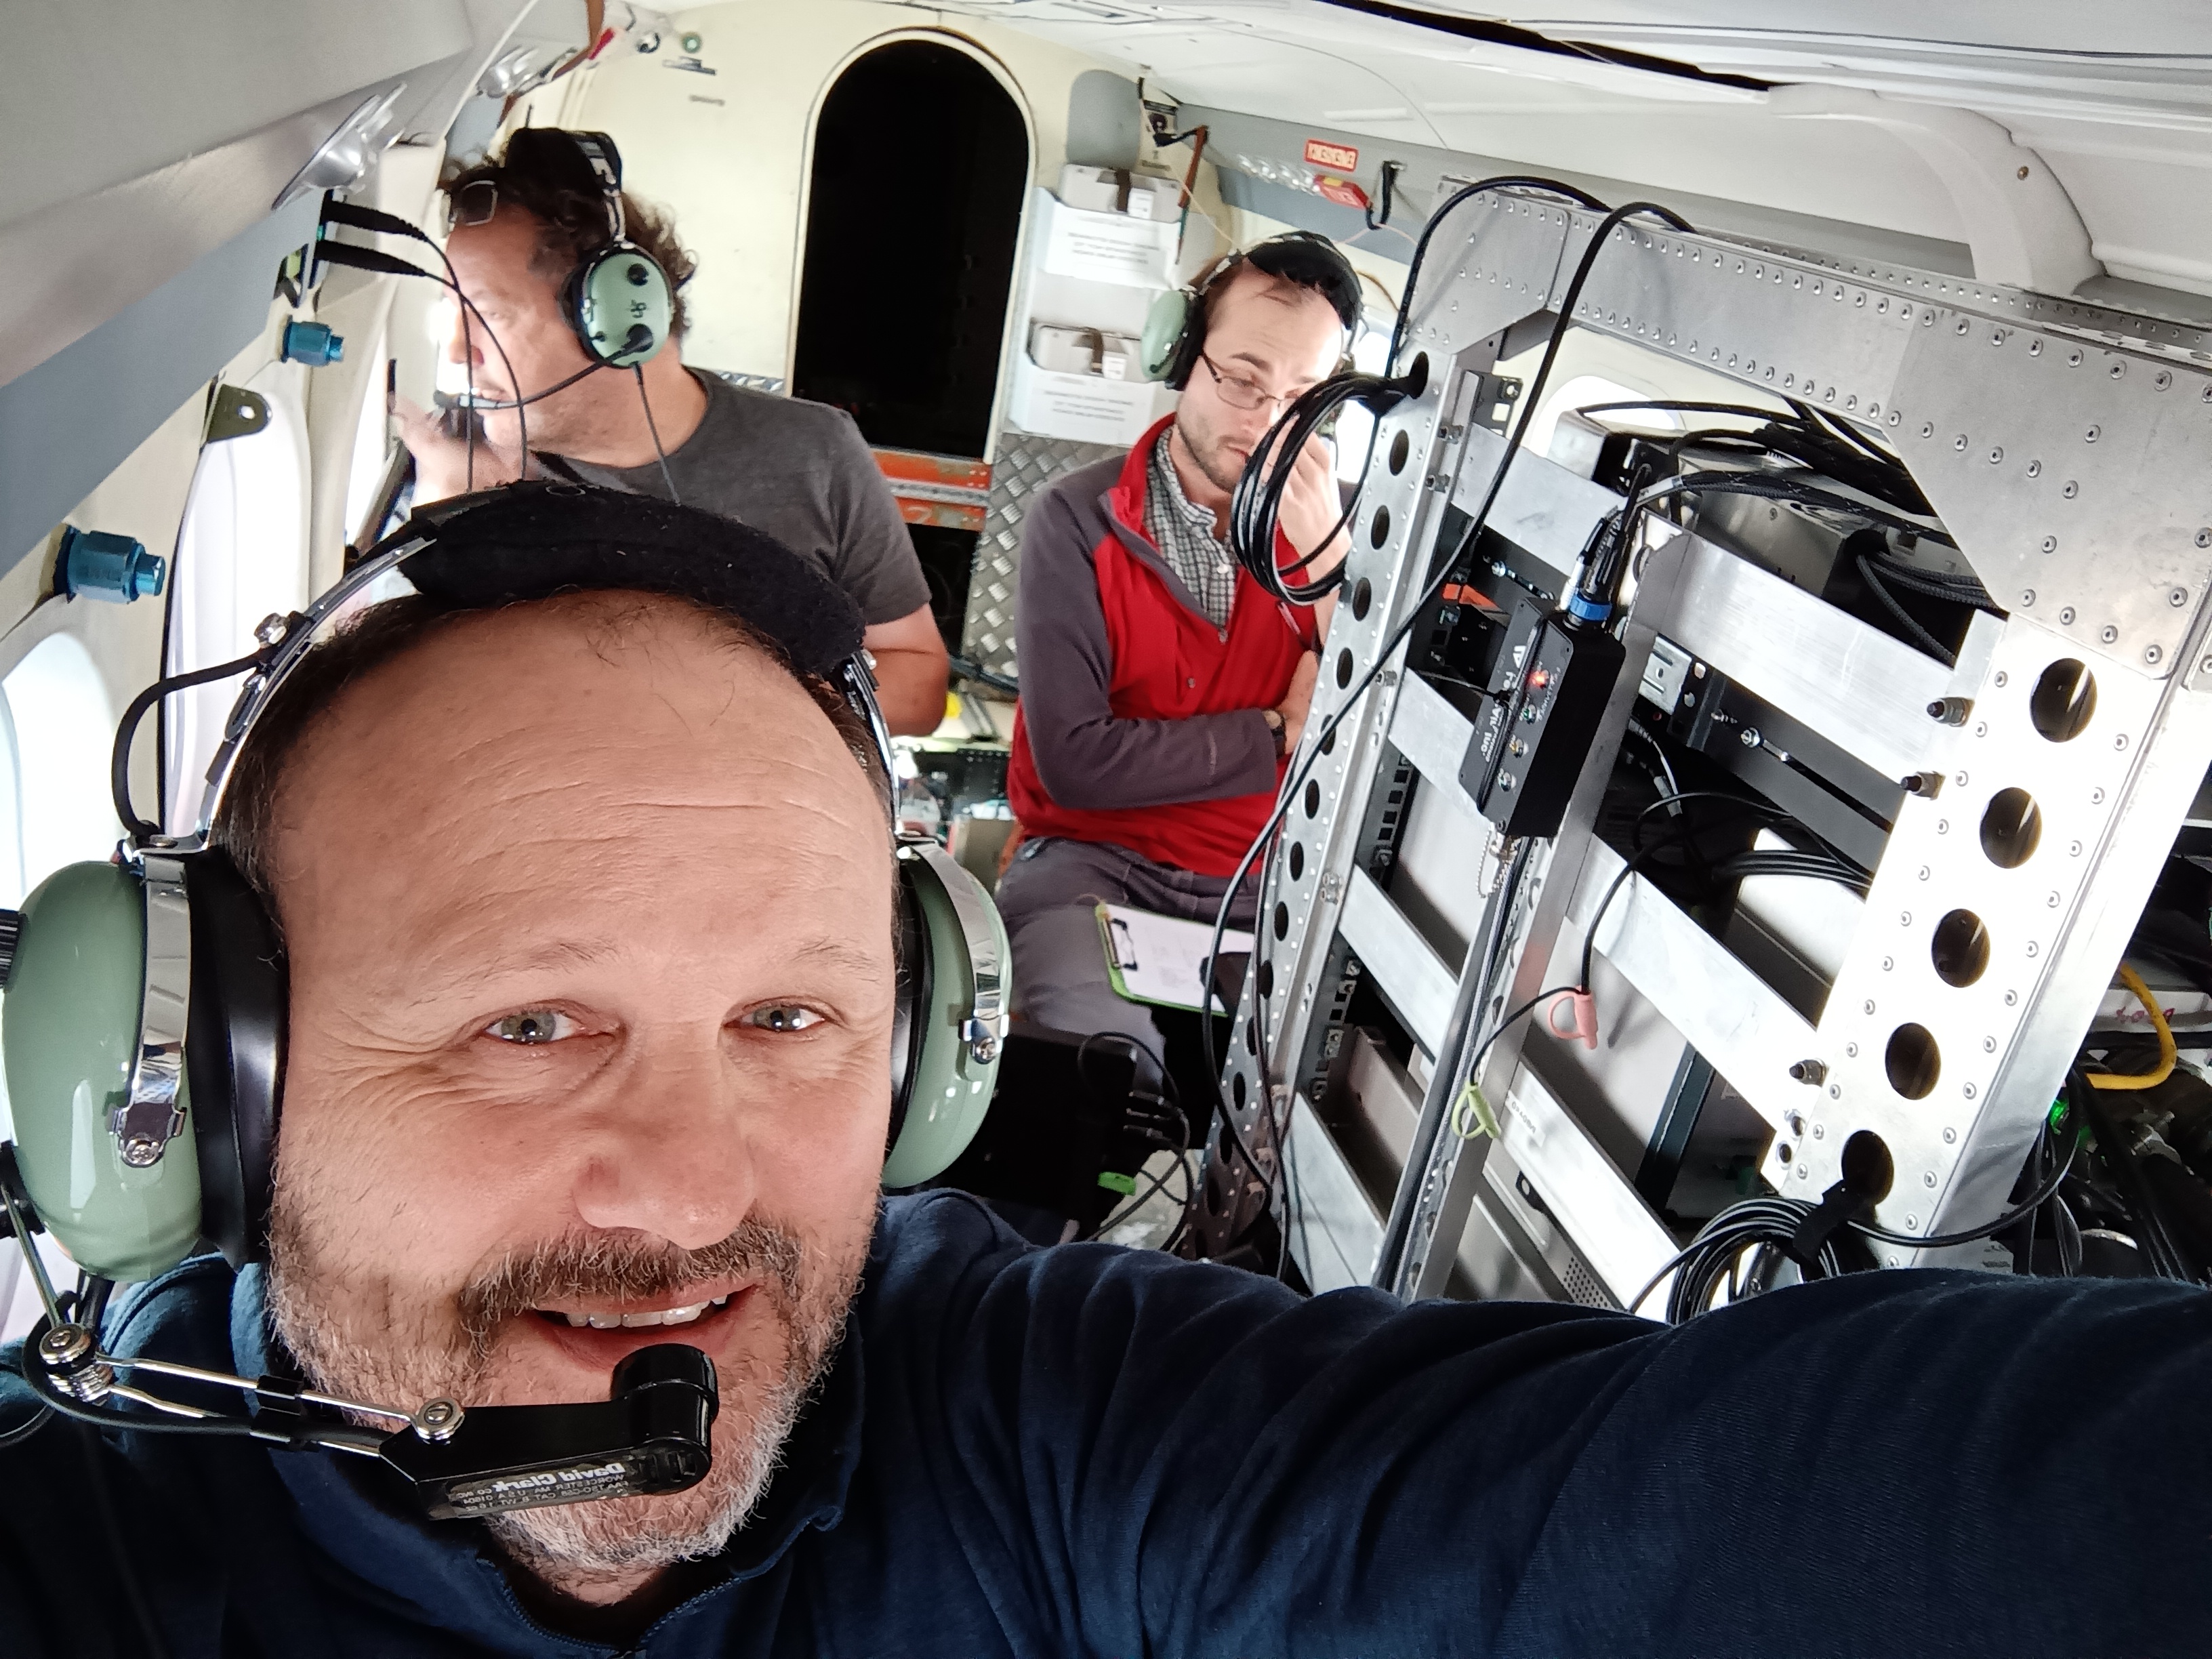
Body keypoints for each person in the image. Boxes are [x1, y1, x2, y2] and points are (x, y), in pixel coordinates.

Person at [3, 489, 2209, 1657]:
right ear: (198, 1087)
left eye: (794, 1019)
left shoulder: (1016, 1415)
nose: (691, 1188)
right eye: (527, 1019)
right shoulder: (87, 1550)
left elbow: (1666, 1524)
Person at [394, 127, 949, 734]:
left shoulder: (814, 451)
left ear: (617, 321)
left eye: (489, 315)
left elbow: (919, 687)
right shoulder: (455, 463)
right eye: (450, 315)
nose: (455, 352)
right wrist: (460, 523)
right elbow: (425, 717)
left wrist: (721, 706)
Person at [998, 234, 1360, 1059]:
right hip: (1094, 868)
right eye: (1243, 379)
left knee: (1295, 1110)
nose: (1267, 423)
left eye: (1303, 396)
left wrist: (1333, 570)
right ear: (1182, 357)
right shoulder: (1076, 519)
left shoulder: (1353, 535)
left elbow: (1385, 734)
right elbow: (1077, 765)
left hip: (1272, 883)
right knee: (1103, 1076)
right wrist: (1275, 734)